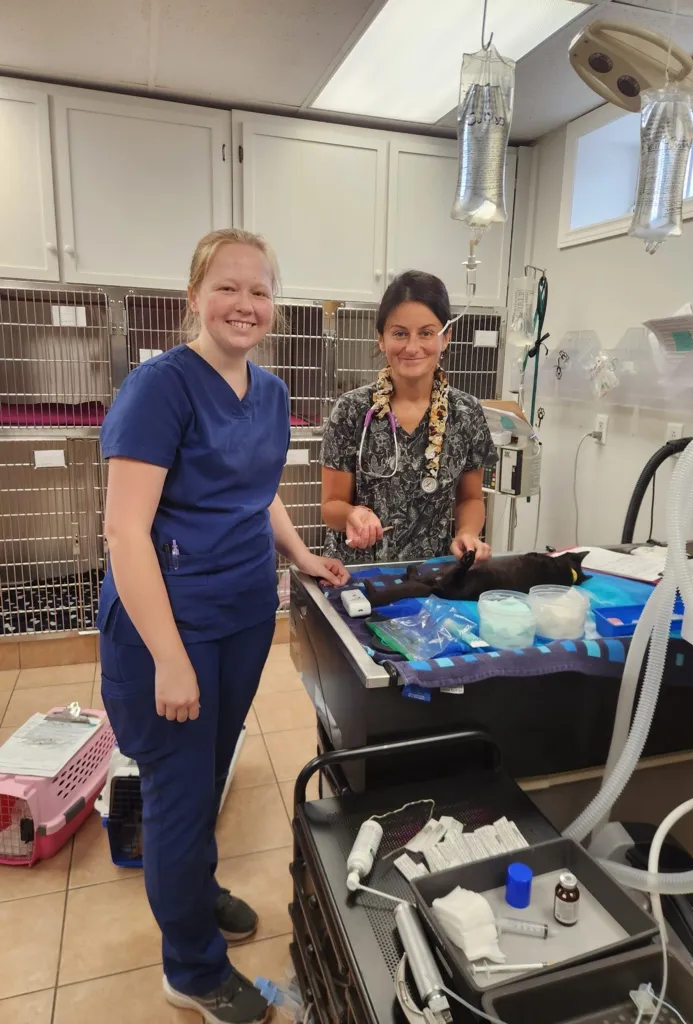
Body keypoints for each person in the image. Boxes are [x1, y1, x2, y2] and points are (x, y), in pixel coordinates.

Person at [97, 228, 348, 1024]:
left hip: (242, 613)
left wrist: (302, 555)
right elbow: (123, 533)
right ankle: (192, 970)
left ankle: (194, 891)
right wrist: (169, 658)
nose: (245, 304)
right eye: (228, 287)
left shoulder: (269, 393)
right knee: (176, 791)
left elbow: (260, 491)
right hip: (168, 626)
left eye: (261, 291)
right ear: (195, 298)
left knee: (205, 778)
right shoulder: (160, 387)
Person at [321, 270, 501, 564]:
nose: (412, 347)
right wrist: (353, 513)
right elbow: (331, 507)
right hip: (358, 574)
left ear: (446, 338)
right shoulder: (352, 410)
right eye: (400, 333)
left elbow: (470, 499)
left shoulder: (466, 412)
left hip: (433, 574)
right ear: (381, 339)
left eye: (427, 333)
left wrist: (467, 533)